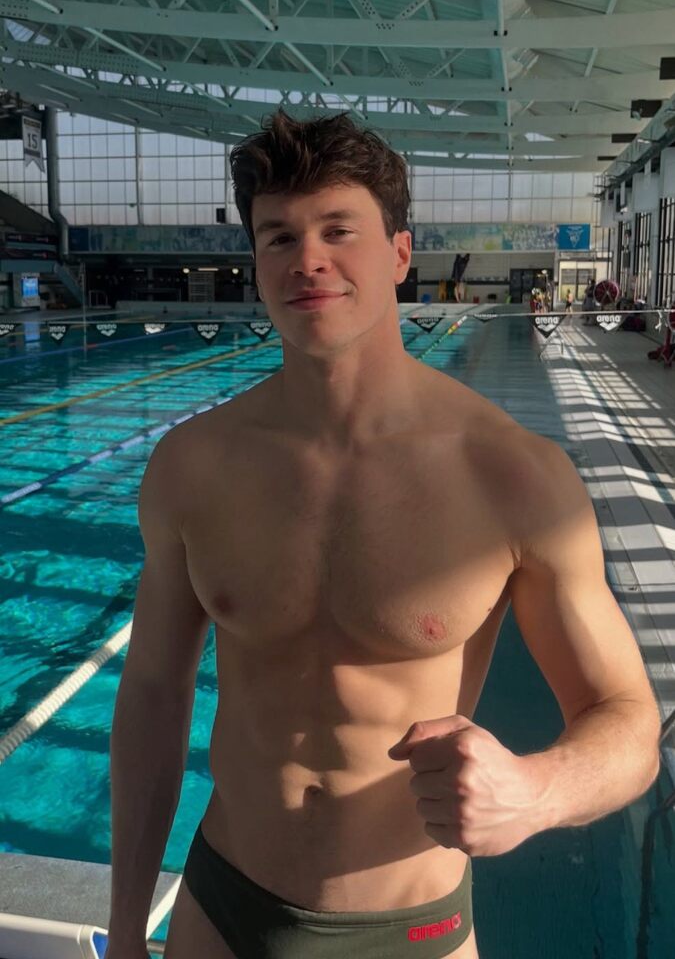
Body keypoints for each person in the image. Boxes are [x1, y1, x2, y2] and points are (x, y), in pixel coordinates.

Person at [107, 111, 661, 959]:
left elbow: (626, 720)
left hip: (409, 928)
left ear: (400, 254)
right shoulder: (193, 466)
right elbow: (151, 694)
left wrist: (537, 789)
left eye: (338, 230)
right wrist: (124, 923)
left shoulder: (512, 475)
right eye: (279, 236)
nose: (307, 259)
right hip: (220, 903)